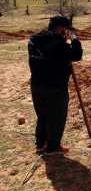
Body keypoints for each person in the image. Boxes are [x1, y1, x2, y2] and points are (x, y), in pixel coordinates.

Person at [28, 16, 83, 155]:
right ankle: (53, 147)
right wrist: (74, 39)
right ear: (60, 28)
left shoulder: (34, 39)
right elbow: (76, 55)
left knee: (42, 115)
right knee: (56, 117)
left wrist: (64, 40)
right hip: (55, 86)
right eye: (66, 29)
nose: (66, 31)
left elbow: (52, 55)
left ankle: (40, 145)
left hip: (37, 85)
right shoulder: (58, 42)